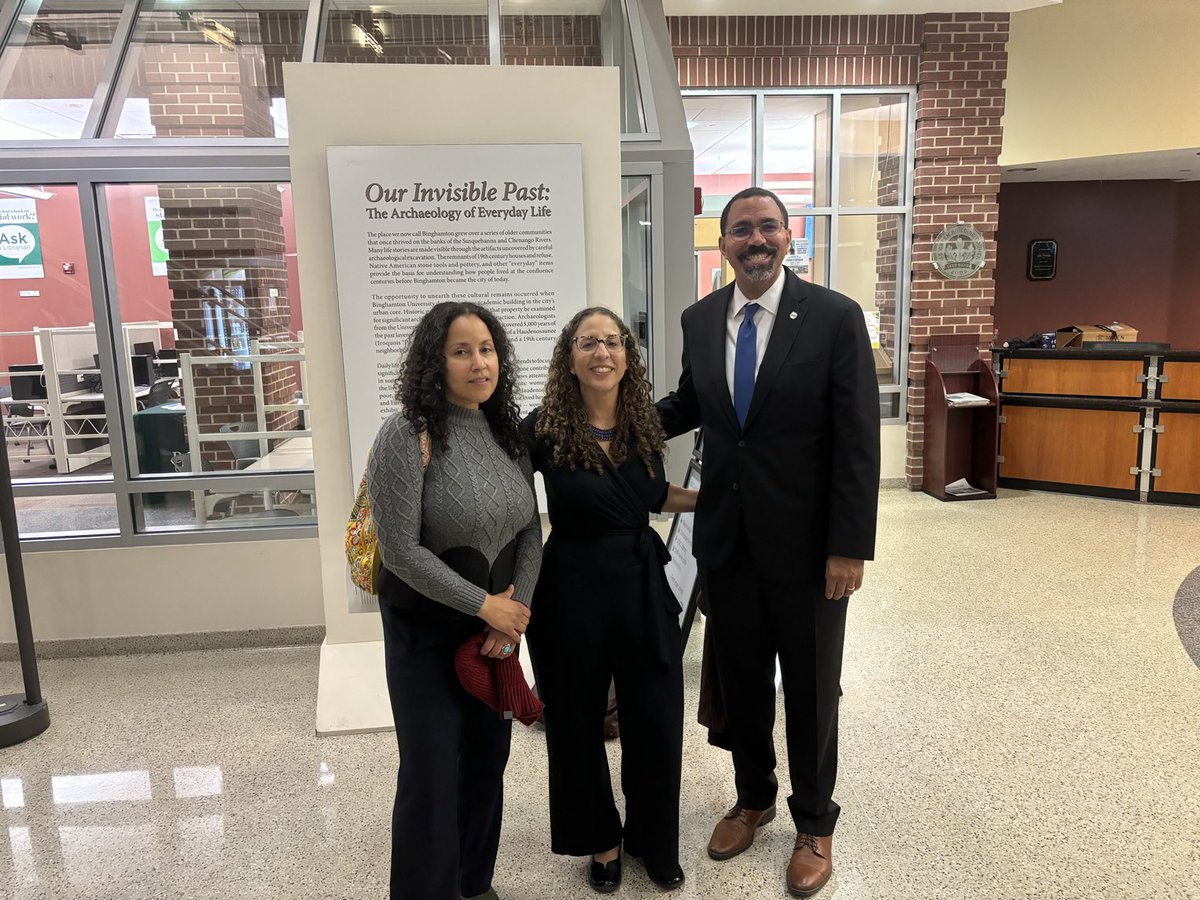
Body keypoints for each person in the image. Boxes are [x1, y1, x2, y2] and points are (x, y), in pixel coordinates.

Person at [657, 187, 880, 897]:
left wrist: (850, 546)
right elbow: (691, 404)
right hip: (729, 541)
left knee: (813, 689)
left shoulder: (835, 318)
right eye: (740, 230)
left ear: (789, 236)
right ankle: (752, 797)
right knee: (743, 684)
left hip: (813, 551)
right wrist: (602, 422)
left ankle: (814, 821)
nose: (755, 240)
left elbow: (857, 440)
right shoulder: (699, 319)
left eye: (767, 227)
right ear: (720, 243)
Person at [367, 301, 542, 900]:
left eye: (487, 349)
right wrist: (483, 606)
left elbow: (530, 531)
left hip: (494, 638)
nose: (478, 363)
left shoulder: (507, 432)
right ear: (434, 362)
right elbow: (399, 551)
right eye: (461, 351)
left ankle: (474, 885)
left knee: (486, 763)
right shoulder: (405, 434)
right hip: (426, 636)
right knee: (431, 774)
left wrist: (512, 619)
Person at [523, 307, 696, 894]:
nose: (602, 353)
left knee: (656, 716)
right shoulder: (542, 428)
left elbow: (652, 495)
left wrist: (712, 500)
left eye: (613, 342)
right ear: (568, 358)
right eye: (588, 343)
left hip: (640, 584)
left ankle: (653, 839)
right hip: (568, 588)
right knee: (574, 724)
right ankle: (602, 840)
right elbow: (496, 481)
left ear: (628, 355)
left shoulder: (643, 424)